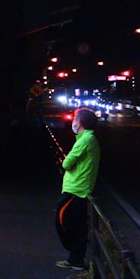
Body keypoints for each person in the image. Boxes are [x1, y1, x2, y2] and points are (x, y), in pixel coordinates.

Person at [55, 108, 100, 270]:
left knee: (62, 220)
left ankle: (75, 257)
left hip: (76, 189)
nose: (73, 122)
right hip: (80, 188)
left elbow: (66, 164)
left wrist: (68, 161)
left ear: (79, 123)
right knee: (78, 224)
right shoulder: (88, 139)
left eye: (74, 119)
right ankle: (76, 259)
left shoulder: (85, 140)